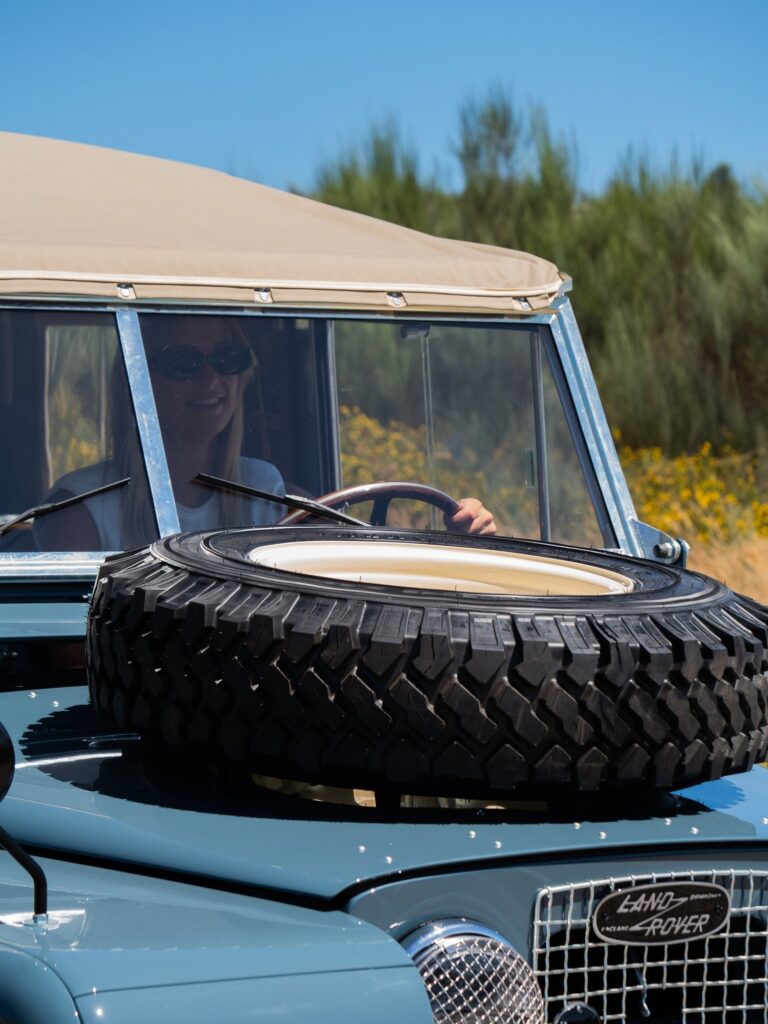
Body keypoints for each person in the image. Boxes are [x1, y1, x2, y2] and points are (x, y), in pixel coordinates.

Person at [36, 316, 495, 550]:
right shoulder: (82, 508)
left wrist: (464, 535)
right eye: (183, 362)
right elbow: (66, 655)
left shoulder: (266, 490)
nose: (212, 379)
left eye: (228, 359)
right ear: (137, 381)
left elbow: (359, 562)